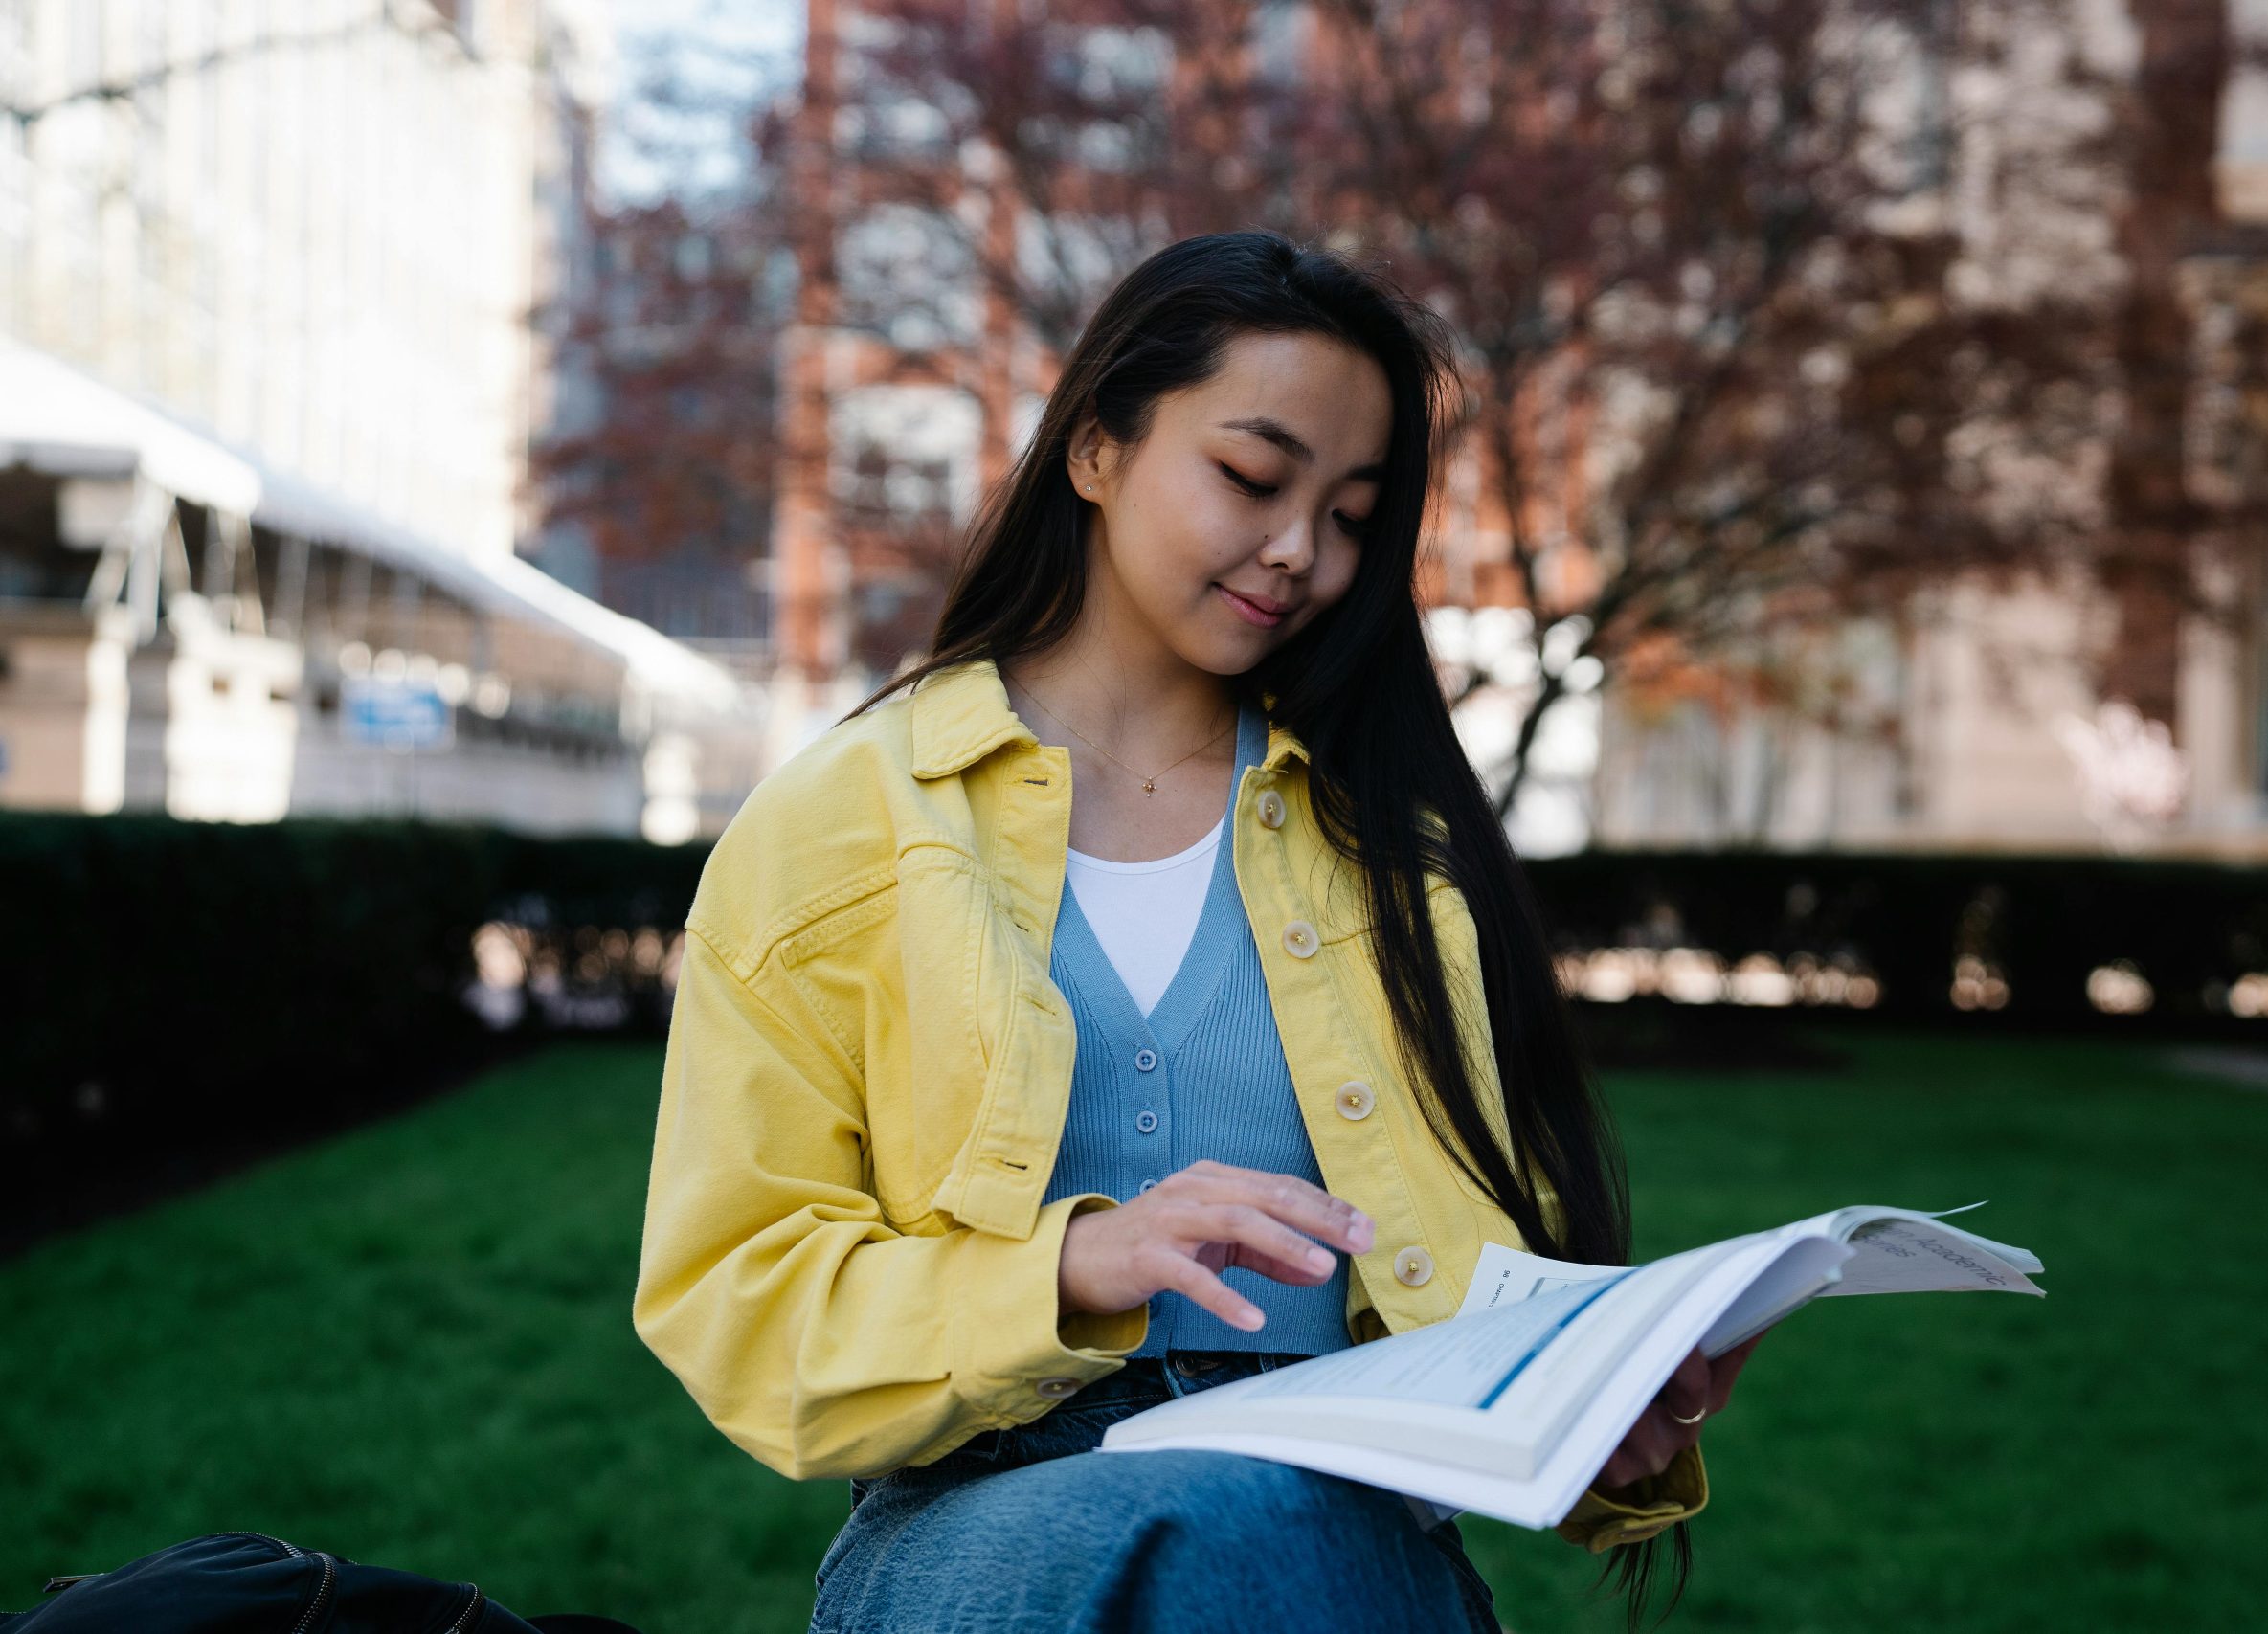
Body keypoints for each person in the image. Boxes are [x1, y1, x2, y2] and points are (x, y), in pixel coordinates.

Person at [630, 229, 1765, 1633]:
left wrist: (1605, 1409)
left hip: (1341, 1516)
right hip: (980, 1532)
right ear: (1094, 448)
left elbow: (1479, 1281)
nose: (1301, 552)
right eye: (1251, 476)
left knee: (1280, 1524)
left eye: (1353, 515)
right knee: (1246, 1521)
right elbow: (741, 1305)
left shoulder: (1393, 858)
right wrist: (1066, 1267)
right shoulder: (835, 826)